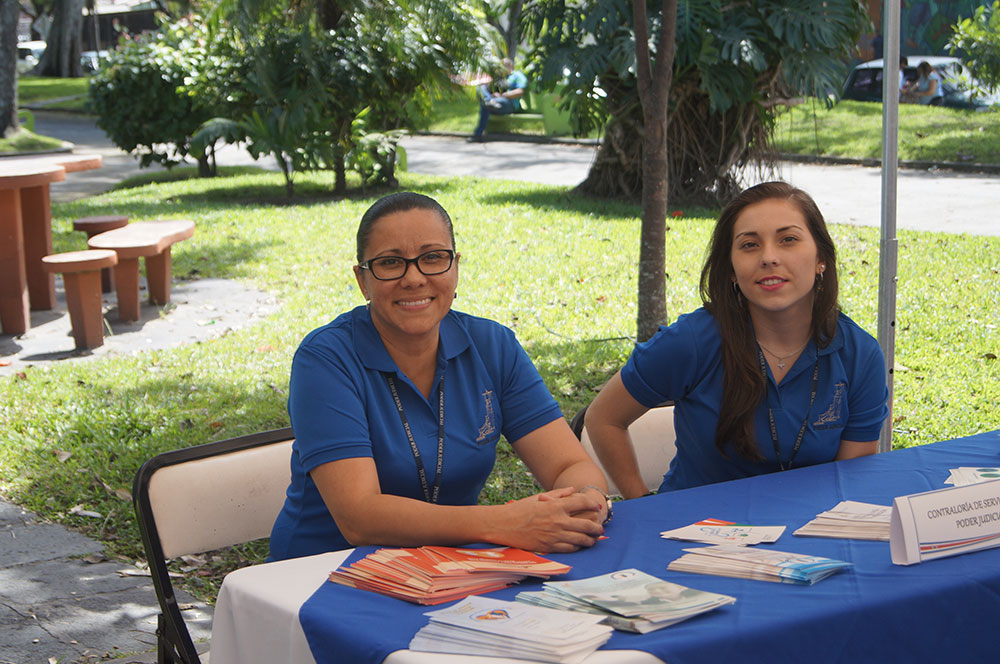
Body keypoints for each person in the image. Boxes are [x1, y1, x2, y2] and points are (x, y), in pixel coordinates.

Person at [268, 192, 610, 561]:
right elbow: (359, 518)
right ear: (362, 280)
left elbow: (569, 465)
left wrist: (587, 498)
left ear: (455, 267)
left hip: (455, 569)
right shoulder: (326, 359)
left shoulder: (492, 345)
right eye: (389, 262)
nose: (413, 278)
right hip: (322, 574)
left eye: (433, 258)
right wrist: (503, 523)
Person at [584, 182, 889, 499]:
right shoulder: (690, 341)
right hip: (693, 533)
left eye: (788, 240)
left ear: (821, 258)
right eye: (749, 245)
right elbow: (603, 418)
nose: (769, 257)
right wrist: (644, 507)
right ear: (730, 269)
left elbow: (850, 483)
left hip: (812, 531)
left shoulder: (860, 355)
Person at [469, 58, 528, 142]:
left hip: (510, 104)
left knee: (485, 105)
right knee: (481, 88)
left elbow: (520, 91)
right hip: (495, 102)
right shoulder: (499, 78)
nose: (502, 68)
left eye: (505, 66)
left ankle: (478, 134)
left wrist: (502, 96)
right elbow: (490, 89)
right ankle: (488, 101)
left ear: (511, 66)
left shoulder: (517, 75)